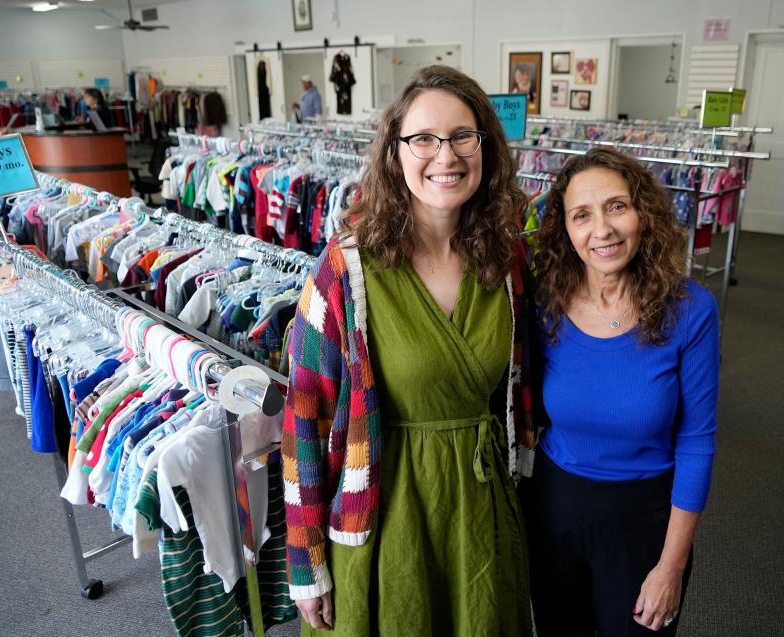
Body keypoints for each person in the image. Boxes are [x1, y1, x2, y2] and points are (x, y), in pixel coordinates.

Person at [282, 65, 537, 635]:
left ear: (485, 147)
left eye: (462, 136)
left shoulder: (508, 260)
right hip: (382, 511)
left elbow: (523, 387)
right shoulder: (345, 271)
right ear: (395, 153)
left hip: (480, 509)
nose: (444, 156)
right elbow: (304, 417)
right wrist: (306, 562)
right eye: (423, 138)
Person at [526, 148, 720, 635]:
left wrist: (671, 567)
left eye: (617, 207)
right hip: (554, 512)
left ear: (644, 213)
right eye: (582, 215)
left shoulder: (690, 310)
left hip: (644, 523)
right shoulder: (544, 303)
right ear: (565, 230)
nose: (602, 230)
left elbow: (697, 442)